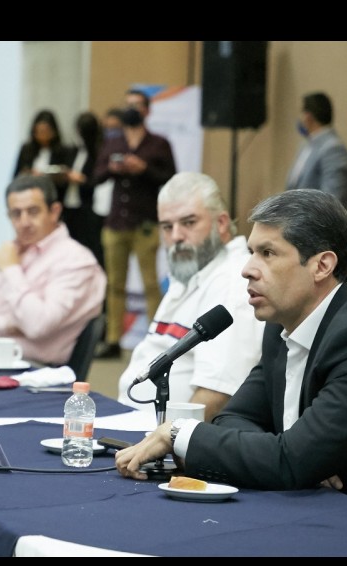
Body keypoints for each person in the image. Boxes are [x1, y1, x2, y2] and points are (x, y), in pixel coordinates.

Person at [115, 188, 347, 542]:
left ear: (322, 265)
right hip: (343, 518)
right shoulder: (282, 327)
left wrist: (178, 433)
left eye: (268, 253)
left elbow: (289, 461)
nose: (247, 270)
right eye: (251, 252)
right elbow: (234, 419)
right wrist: (299, 461)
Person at [118, 172, 264, 421]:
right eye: (167, 227)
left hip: (165, 437)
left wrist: (164, 439)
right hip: (136, 423)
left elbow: (216, 393)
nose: (176, 236)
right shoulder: (191, 272)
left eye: (188, 222)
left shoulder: (233, 280)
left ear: (221, 223)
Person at [0, 174, 106, 366]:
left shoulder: (76, 260)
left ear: (54, 211)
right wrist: (11, 324)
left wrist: (11, 269)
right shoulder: (11, 251)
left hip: (35, 370)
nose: (24, 222)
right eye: (16, 214)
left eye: (33, 211)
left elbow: (37, 325)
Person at [92, 88, 177, 359]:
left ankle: (156, 340)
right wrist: (112, 168)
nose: (131, 109)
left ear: (147, 110)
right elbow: (96, 175)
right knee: (115, 284)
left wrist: (144, 169)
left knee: (150, 283)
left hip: (145, 222)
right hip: (116, 221)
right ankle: (113, 340)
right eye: (127, 104)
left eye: (137, 105)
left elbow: (170, 177)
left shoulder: (159, 143)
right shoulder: (113, 142)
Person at [285, 92, 347, 212]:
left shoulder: (333, 149)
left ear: (308, 116)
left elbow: (332, 201)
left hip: (317, 222)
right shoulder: (306, 146)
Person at [62, 110, 105, 267]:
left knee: (91, 248)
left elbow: (99, 181)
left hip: (89, 207)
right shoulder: (73, 151)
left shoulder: (99, 153)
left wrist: (82, 180)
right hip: (70, 205)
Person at [13, 109, 71, 203]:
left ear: (53, 131)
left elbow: (65, 179)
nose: (42, 135)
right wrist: (29, 174)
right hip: (28, 196)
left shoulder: (62, 151)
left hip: (52, 197)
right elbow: (16, 175)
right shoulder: (26, 149)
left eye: (45, 131)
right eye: (39, 131)